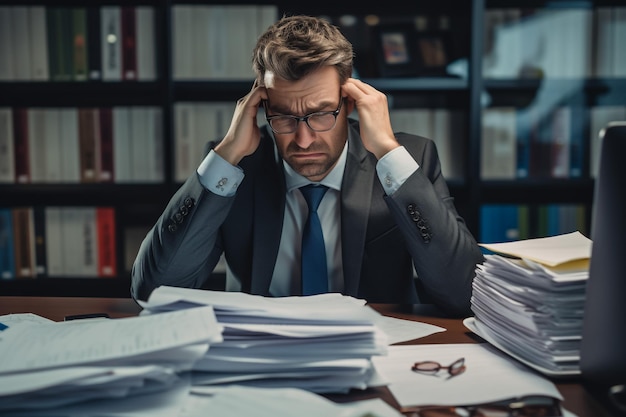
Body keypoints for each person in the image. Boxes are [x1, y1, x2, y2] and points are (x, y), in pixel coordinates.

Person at [131, 15, 484, 317]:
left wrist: (388, 152)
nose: (303, 140)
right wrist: (224, 156)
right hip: (261, 357)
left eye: (320, 114)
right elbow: (153, 291)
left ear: (349, 103)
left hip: (377, 357)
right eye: (284, 117)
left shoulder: (409, 159)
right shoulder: (235, 169)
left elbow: (462, 293)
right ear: (260, 108)